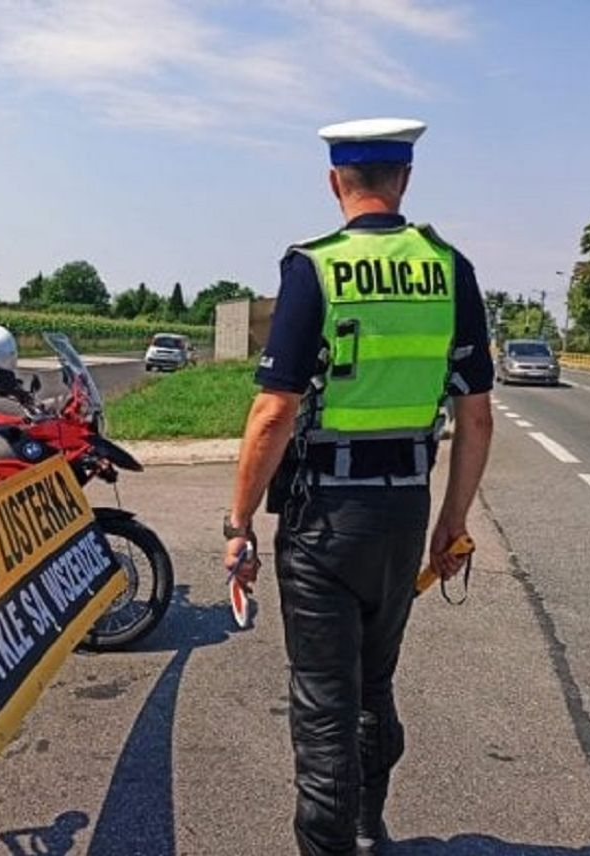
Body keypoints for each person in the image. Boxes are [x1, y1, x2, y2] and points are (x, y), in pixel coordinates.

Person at [223, 118, 494, 855]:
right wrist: (453, 520)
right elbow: (475, 417)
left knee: (322, 708)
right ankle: (370, 822)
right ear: (404, 180)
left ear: (335, 181)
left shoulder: (315, 267)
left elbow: (273, 411)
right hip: (404, 510)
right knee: (374, 686)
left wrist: (239, 521)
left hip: (324, 519)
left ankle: (329, 844)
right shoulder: (450, 268)